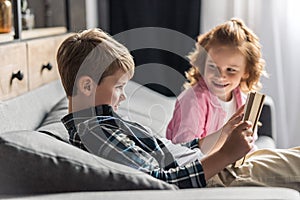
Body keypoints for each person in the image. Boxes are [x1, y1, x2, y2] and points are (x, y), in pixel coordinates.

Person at [57, 28, 299, 190]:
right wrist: (226, 154)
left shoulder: (105, 123)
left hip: (211, 163)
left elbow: (173, 154)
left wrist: (224, 134)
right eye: (119, 87)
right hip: (216, 173)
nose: (123, 95)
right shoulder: (96, 132)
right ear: (87, 85)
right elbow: (159, 181)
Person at [166, 18, 268, 149]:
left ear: (246, 72)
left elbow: (249, 142)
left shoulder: (243, 101)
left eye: (230, 70)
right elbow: (185, 151)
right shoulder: (193, 101)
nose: (220, 76)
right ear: (203, 65)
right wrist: (225, 133)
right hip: (202, 167)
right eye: (213, 67)